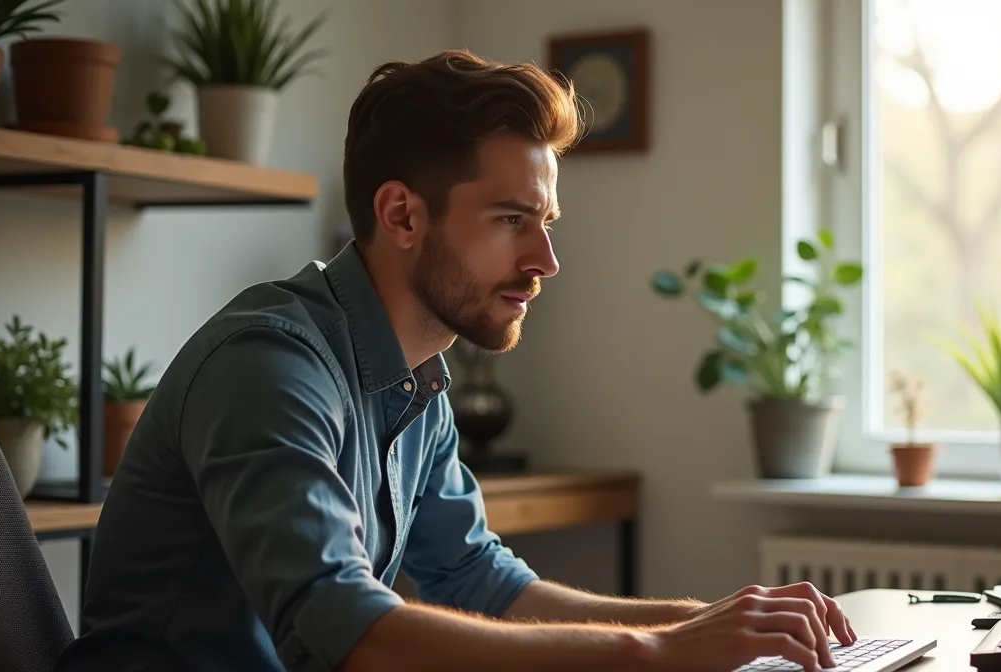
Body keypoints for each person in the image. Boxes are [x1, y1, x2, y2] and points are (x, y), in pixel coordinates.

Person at [53, 50, 856, 672]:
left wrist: (712, 621)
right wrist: (654, 654)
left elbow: (480, 582)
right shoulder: (269, 366)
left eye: (545, 222)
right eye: (511, 220)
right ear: (402, 215)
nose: (545, 261)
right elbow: (346, 630)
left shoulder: (416, 380)